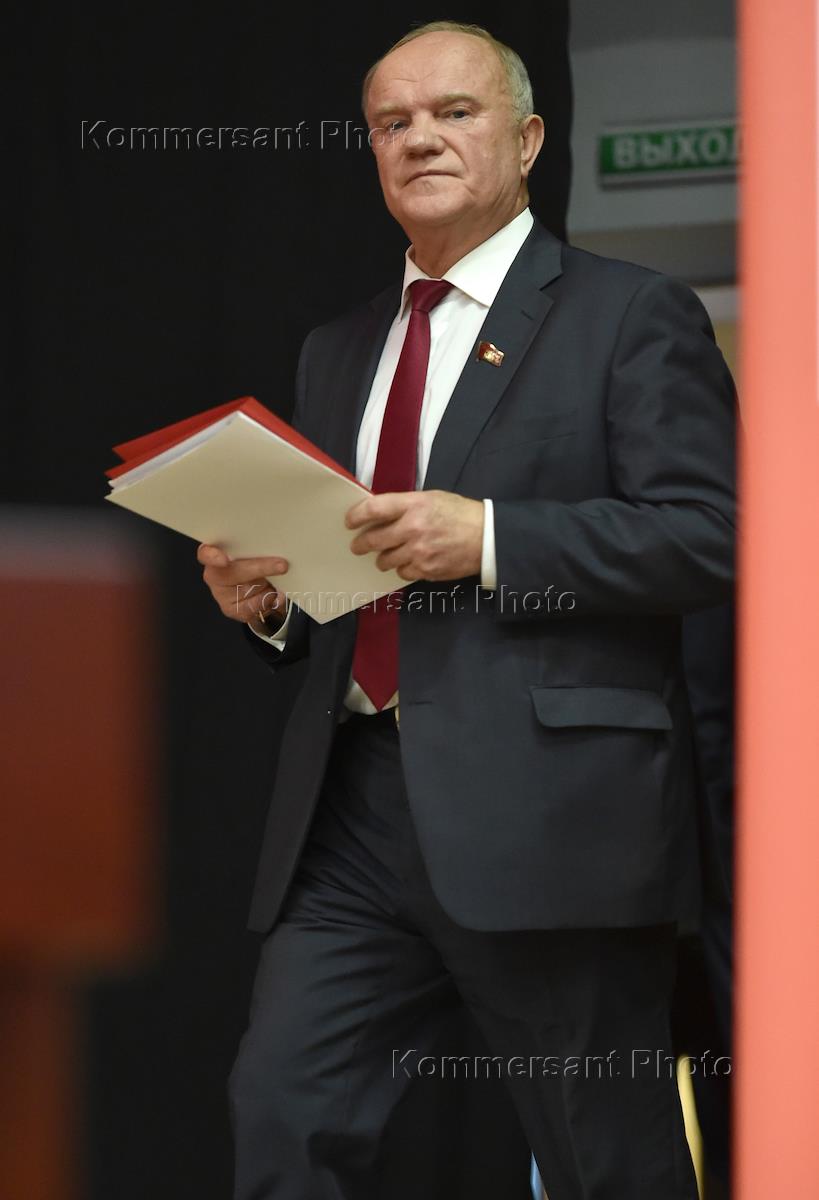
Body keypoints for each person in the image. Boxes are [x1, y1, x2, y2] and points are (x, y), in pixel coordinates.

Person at [198, 21, 737, 1200]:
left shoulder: (628, 315)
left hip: (553, 812)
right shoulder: (337, 348)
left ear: (528, 139)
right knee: (281, 1114)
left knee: (608, 1162)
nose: (419, 140)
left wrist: (490, 539)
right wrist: (271, 604)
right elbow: (347, 578)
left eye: (454, 112)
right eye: (392, 123)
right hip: (351, 815)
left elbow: (712, 535)